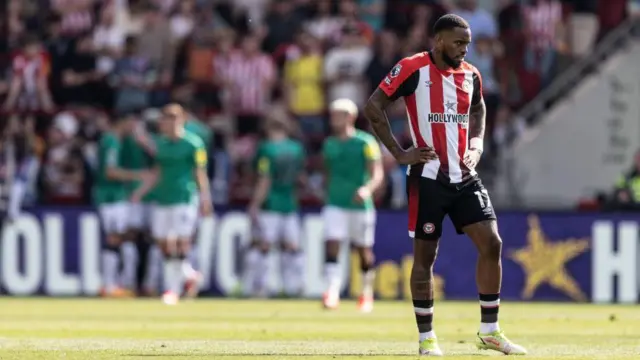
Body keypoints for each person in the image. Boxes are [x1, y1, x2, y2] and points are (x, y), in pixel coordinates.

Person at [363, 14, 527, 356]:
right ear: (438, 40)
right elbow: (374, 106)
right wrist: (398, 153)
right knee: (425, 258)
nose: (464, 50)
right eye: (457, 43)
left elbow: (479, 108)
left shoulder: (471, 75)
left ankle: (490, 332)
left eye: (466, 43)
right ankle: (426, 339)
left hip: (464, 176)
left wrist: (477, 144)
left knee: (492, 244)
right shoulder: (413, 68)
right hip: (427, 178)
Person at [132, 103, 212, 305]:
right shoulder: (161, 144)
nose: (166, 125)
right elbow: (157, 172)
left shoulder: (194, 144)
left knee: (179, 241)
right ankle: (189, 275)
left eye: (170, 120)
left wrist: (205, 198)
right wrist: (141, 191)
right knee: (162, 242)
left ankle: (172, 290)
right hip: (163, 197)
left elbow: (200, 173)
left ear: (180, 121)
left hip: (184, 197)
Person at [321, 98, 384, 313]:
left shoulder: (366, 143)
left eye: (337, 115)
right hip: (335, 202)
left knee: (363, 250)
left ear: (350, 117)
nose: (333, 119)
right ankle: (332, 291)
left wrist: (367, 189)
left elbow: (377, 173)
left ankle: (366, 293)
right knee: (332, 243)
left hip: (360, 205)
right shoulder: (329, 144)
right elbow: (327, 174)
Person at [245, 117, 306, 298]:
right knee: (292, 247)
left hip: (270, 204)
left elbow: (265, 178)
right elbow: (300, 177)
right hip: (290, 203)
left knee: (264, 245)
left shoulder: (266, 149)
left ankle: (261, 287)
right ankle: (295, 286)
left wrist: (255, 204)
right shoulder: (297, 149)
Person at [94, 114, 149, 298]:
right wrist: (138, 175)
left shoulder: (116, 141)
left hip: (116, 197)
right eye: (133, 122)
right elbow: (110, 172)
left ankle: (120, 284)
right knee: (116, 239)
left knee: (124, 240)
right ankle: (111, 285)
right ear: (124, 120)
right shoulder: (111, 141)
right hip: (111, 197)